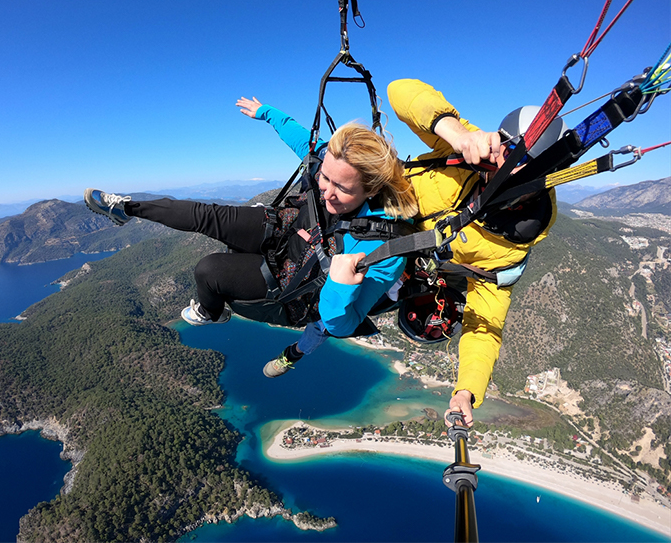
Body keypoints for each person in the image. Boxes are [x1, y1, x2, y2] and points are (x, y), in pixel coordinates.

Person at [84, 96, 418, 377]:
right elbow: (301, 139)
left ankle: (211, 312)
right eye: (325, 178)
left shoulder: (382, 246)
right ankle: (126, 208)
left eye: (342, 188)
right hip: (287, 228)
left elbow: (341, 324)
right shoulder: (329, 164)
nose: (327, 191)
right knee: (209, 215)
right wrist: (267, 113)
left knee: (209, 271)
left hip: (293, 287)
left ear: (372, 189)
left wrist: (341, 284)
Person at [321, 78, 564, 426]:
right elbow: (399, 92)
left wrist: (466, 390)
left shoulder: (506, 253)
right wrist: (457, 134)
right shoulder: (469, 150)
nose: (499, 163)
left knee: (343, 309)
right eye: (504, 149)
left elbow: (485, 327)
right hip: (370, 206)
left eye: (513, 161)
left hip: (387, 253)